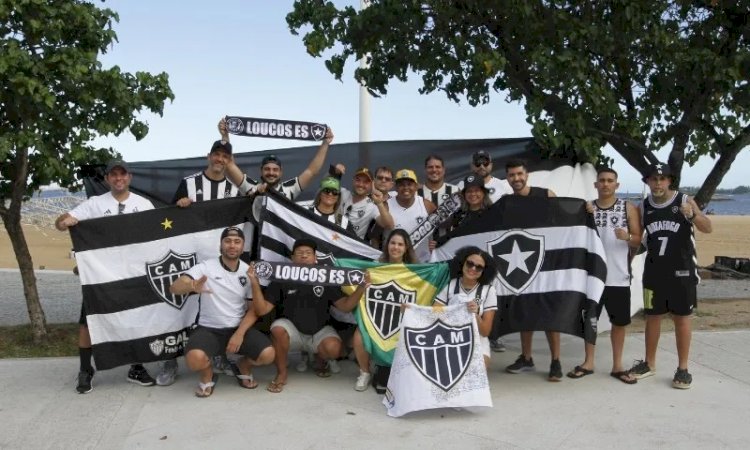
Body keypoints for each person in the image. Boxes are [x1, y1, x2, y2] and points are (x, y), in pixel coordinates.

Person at [55, 160, 156, 394]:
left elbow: (156, 236)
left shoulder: (143, 204)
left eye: (123, 174)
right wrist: (65, 221)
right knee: (88, 322)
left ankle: (136, 366)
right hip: (101, 276)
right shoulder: (94, 204)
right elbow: (60, 223)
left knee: (134, 319)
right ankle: (85, 369)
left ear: (129, 177)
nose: (118, 178)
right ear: (107, 179)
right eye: (114, 175)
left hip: (131, 274)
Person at [156, 138, 239, 386]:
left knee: (218, 309)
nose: (220, 160)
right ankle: (169, 360)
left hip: (218, 260)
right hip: (188, 257)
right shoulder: (189, 183)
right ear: (208, 156)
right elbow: (168, 221)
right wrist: (179, 205)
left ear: (229, 161)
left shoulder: (234, 190)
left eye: (225, 156)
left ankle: (218, 355)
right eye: (217, 154)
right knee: (177, 310)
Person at [629, 163, 712, 389]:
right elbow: (640, 241)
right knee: (652, 317)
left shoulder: (684, 200)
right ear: (647, 181)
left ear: (669, 181)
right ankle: (649, 363)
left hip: (682, 272)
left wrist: (694, 215)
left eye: (662, 179)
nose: (658, 183)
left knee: (682, 318)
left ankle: (683, 368)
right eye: (653, 179)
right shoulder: (644, 206)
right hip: (654, 272)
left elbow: (708, 227)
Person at [168, 227, 275, 397]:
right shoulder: (206, 267)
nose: (232, 245)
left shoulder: (248, 271)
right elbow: (174, 287)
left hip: (237, 328)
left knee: (268, 355)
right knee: (194, 359)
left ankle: (243, 366)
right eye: (228, 241)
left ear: (242, 246)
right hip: (209, 329)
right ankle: (207, 375)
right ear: (221, 245)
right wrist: (191, 285)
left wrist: (239, 333)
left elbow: (253, 310)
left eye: (237, 241)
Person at [249, 238, 367, 393]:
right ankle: (282, 373)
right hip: (293, 332)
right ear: (292, 258)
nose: (304, 256)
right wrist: (254, 282)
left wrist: (361, 288)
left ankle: (319, 360)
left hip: (320, 330)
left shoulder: (325, 277)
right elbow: (262, 310)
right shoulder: (282, 279)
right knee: (277, 329)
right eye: (299, 253)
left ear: (315, 258)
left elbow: (345, 307)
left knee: (334, 349)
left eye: (308, 253)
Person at [567, 168, 641, 384]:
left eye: (610, 181)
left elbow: (639, 240)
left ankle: (617, 366)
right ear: (596, 184)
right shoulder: (587, 208)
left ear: (617, 185)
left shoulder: (627, 208)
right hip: (592, 277)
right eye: (602, 180)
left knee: (619, 323)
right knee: (590, 320)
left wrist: (627, 236)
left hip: (618, 276)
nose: (606, 184)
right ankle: (588, 362)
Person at [502, 158, 563, 381]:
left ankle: (556, 361)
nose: (516, 179)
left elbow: (566, 221)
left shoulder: (546, 195)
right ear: (507, 178)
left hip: (546, 263)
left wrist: (584, 209)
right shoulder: (506, 202)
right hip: (520, 265)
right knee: (524, 312)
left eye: (519, 174)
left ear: (527, 174)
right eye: (511, 175)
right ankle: (526, 357)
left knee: (549, 313)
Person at [352, 228, 418, 392]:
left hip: (400, 322)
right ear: (387, 245)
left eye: (400, 244)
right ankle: (365, 372)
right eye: (393, 243)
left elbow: (422, 298)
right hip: (376, 318)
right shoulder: (373, 268)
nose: (396, 247)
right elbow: (353, 282)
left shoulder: (415, 272)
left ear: (406, 248)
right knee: (359, 336)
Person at [457, 151, 511, 352]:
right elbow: (447, 236)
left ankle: (493, 335)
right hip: (466, 264)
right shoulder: (458, 214)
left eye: (477, 191)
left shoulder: (494, 212)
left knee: (489, 296)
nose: (473, 194)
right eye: (469, 191)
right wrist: (436, 244)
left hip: (487, 261)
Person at [434, 246, 498, 367]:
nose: (473, 268)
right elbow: (433, 314)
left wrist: (476, 314)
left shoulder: (489, 291)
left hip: (478, 341)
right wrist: (411, 309)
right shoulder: (450, 285)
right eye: (470, 263)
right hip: (450, 339)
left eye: (479, 267)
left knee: (477, 368)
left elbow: (485, 332)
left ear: (484, 271)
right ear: (462, 263)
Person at [338, 167, 395, 240]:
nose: (361, 184)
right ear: (353, 180)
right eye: (358, 180)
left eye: (366, 182)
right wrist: (334, 173)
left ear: (372, 184)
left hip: (352, 247)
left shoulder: (371, 206)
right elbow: (324, 185)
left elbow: (389, 225)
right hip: (333, 240)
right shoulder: (342, 193)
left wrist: (380, 203)